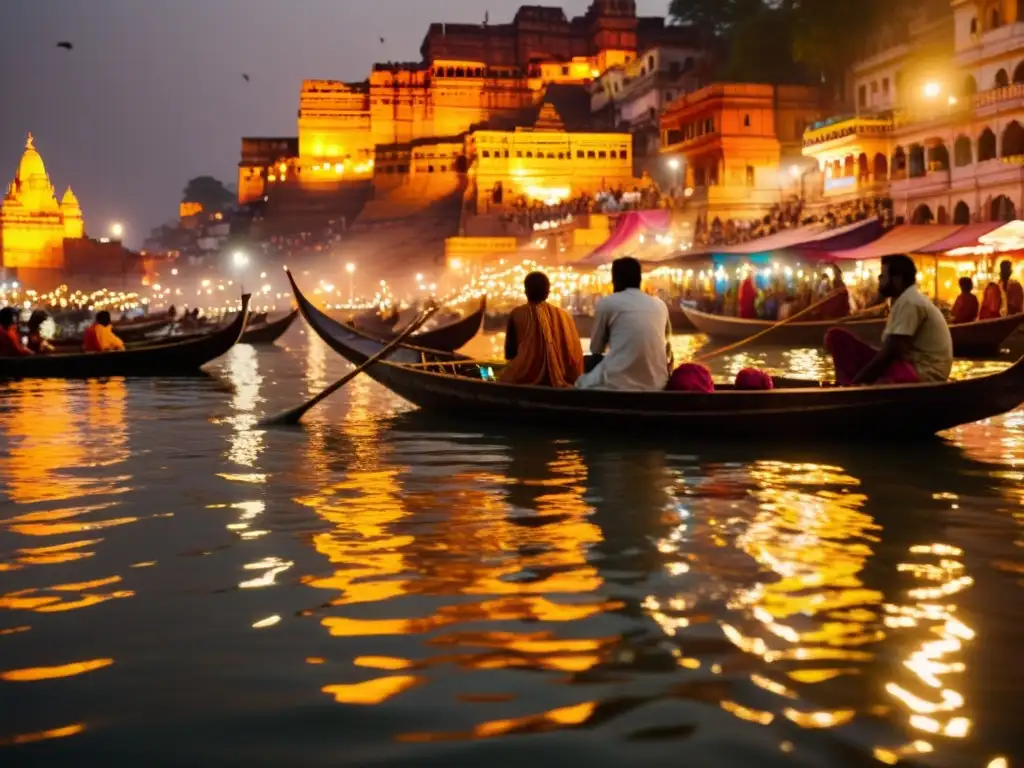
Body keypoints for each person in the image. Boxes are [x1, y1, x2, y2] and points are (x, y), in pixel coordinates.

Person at [824, 253, 952, 386]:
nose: (879, 278)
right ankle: (845, 384)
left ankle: (847, 388)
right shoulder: (901, 300)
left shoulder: (910, 302)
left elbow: (889, 353)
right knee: (836, 337)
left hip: (924, 372)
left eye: (883, 275)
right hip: (910, 365)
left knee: (838, 339)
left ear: (897, 280)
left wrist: (856, 383)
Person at [576, 257, 673, 391]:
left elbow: (596, 348)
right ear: (639, 280)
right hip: (657, 383)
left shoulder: (607, 303)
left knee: (588, 365)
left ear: (616, 280)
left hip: (619, 384)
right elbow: (667, 348)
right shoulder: (660, 305)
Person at [500, 271, 583, 387]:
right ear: (547, 293)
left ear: (526, 291)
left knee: (503, 377)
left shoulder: (517, 313)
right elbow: (575, 356)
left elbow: (510, 354)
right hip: (567, 381)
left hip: (524, 380)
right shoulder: (564, 316)